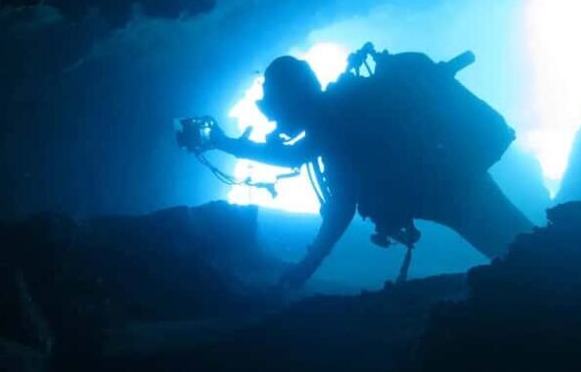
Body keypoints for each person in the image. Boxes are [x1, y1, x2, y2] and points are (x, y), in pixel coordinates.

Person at [210, 45, 533, 288]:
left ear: (291, 101)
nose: (275, 120)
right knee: (518, 241)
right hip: (450, 180)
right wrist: (225, 144)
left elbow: (341, 207)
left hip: (446, 190)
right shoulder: (336, 115)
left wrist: (306, 267)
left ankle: (553, 290)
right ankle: (553, 272)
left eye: (275, 107)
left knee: (517, 250)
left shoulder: (335, 125)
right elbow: (295, 156)